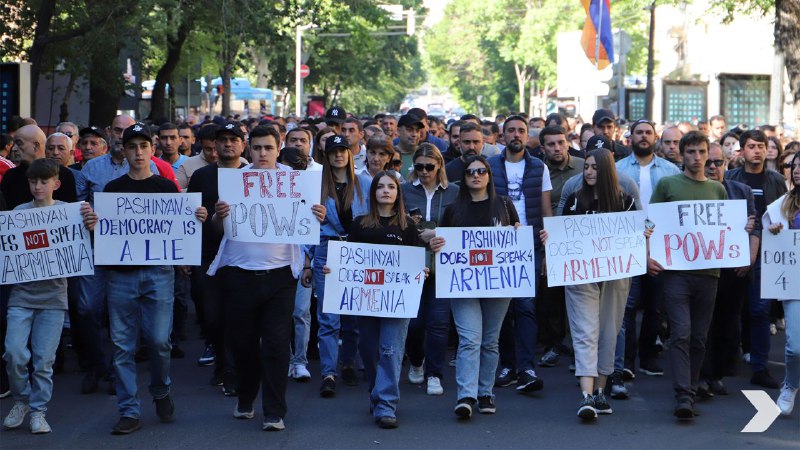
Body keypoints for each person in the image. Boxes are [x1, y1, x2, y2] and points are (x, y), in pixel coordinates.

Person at [209, 125, 325, 431]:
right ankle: (246, 397)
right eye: (257, 148)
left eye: (268, 148)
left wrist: (317, 216)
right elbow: (217, 229)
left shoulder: (295, 183)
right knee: (244, 345)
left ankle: (274, 411)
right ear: (250, 149)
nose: (262, 154)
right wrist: (219, 216)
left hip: (279, 277)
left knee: (275, 344)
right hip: (239, 275)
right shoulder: (235, 182)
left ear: (278, 149)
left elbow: (307, 226)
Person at [100, 122, 207, 434]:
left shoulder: (166, 188)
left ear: (152, 149)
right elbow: (106, 232)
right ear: (124, 149)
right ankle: (129, 410)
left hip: (159, 274)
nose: (137, 152)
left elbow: (181, 228)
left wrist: (196, 217)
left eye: (143, 146)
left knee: (160, 341)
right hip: (121, 276)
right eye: (132, 146)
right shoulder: (113, 190)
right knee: (122, 345)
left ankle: (160, 389)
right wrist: (93, 222)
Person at [542, 149, 640, 420]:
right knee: (585, 332)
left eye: (595, 168)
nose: (588, 172)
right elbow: (560, 232)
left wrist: (646, 232)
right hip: (580, 276)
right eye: (586, 167)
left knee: (608, 333)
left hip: (615, 277)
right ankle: (585, 395)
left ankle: (600, 391)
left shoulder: (626, 201)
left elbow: (643, 225)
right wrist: (549, 237)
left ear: (607, 170)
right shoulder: (574, 200)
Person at [323, 171, 425, 428]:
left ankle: (386, 404)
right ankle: (376, 392)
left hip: (396, 301)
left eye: (392, 186)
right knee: (368, 350)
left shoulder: (407, 226)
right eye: (381, 187)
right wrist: (334, 270)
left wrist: (420, 270)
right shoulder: (360, 224)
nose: (386, 191)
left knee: (390, 351)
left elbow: (415, 259)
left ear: (398, 193)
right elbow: (349, 260)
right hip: (365, 299)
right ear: (374, 192)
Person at [2, 159, 97, 434]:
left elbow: (85, 245)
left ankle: (39, 411)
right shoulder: (18, 213)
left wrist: (91, 224)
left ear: (56, 183)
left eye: (44, 181)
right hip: (21, 296)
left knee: (43, 360)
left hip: (54, 298)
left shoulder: (71, 212)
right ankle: (22, 401)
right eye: (33, 182)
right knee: (14, 353)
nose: (38, 186)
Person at [647, 131, 730, 420]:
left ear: (709, 154)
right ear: (682, 154)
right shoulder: (668, 184)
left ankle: (692, 388)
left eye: (702, 152)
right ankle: (684, 394)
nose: (697, 157)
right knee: (680, 332)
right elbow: (650, 223)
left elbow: (724, 230)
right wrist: (648, 255)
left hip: (709, 273)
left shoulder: (718, 190)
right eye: (691, 151)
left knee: (698, 337)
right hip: (676, 273)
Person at [430, 155, 520, 419]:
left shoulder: (504, 204)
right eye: (470, 172)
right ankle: (466, 395)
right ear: (465, 177)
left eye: (481, 171)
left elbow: (515, 236)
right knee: (470, 339)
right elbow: (444, 247)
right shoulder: (453, 210)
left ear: (489, 175)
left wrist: (518, 231)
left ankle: (485, 392)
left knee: (490, 342)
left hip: (498, 283)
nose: (476, 176)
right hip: (463, 285)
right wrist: (436, 245)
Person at [725, 129, 788, 389]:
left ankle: (760, 367)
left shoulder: (775, 180)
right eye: (751, 146)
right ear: (742, 150)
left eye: (761, 146)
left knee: (760, 311)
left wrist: (777, 226)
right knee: (729, 310)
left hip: (765, 254)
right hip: (731, 251)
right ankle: (726, 361)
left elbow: (784, 212)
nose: (757, 150)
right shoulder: (729, 178)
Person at [698, 142, 758, 397]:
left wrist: (749, 258)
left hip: (733, 270)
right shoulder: (694, 191)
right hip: (701, 268)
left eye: (717, 162)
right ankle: (702, 375)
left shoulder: (742, 191)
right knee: (703, 324)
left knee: (727, 323)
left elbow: (755, 227)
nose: (712, 167)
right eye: (708, 162)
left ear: (727, 163)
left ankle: (718, 373)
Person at [315, 134, 372, 398]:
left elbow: (376, 218)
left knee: (354, 314)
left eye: (343, 150)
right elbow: (306, 228)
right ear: (326, 156)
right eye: (333, 151)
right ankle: (328, 372)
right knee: (328, 317)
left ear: (351, 154)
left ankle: (349, 362)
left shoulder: (364, 182)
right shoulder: (317, 185)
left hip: (357, 252)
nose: (339, 155)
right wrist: (306, 262)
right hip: (327, 250)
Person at [403, 143, 460, 396]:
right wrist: (418, 235)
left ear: (439, 166)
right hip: (412, 263)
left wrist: (438, 233)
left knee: (438, 323)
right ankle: (416, 361)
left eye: (429, 166)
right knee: (414, 323)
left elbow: (464, 224)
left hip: (443, 263)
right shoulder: (404, 191)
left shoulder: (454, 192)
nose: (424, 171)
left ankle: (434, 373)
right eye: (419, 167)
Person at [763, 152, 800, 416]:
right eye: (794, 166)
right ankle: (791, 384)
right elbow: (768, 231)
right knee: (796, 345)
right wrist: (773, 230)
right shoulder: (783, 204)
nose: (797, 170)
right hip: (794, 281)